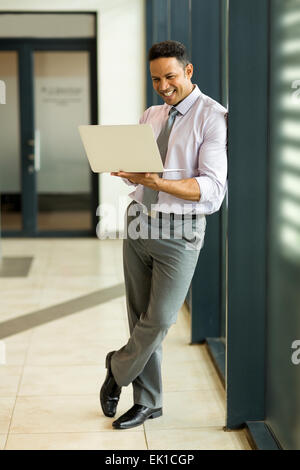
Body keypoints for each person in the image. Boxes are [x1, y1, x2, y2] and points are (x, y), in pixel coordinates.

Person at [100, 40, 227, 430]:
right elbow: (144, 175)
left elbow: (212, 189)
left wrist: (159, 182)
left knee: (160, 319)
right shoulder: (152, 114)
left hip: (180, 230)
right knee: (139, 315)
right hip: (139, 219)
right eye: (156, 78)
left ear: (189, 71)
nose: (163, 85)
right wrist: (128, 172)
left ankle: (117, 368)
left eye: (170, 76)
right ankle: (148, 402)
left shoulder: (212, 117)